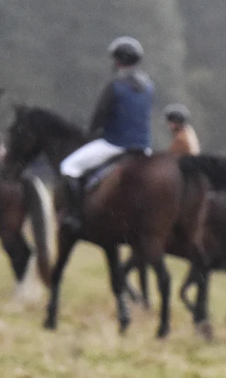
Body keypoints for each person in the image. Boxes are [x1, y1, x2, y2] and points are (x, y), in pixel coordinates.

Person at [58, 37, 154, 232]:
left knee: (68, 167)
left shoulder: (115, 85)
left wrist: (91, 134)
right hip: (144, 147)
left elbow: (99, 118)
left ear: (118, 61)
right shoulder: (149, 87)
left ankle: (76, 217)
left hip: (115, 143)